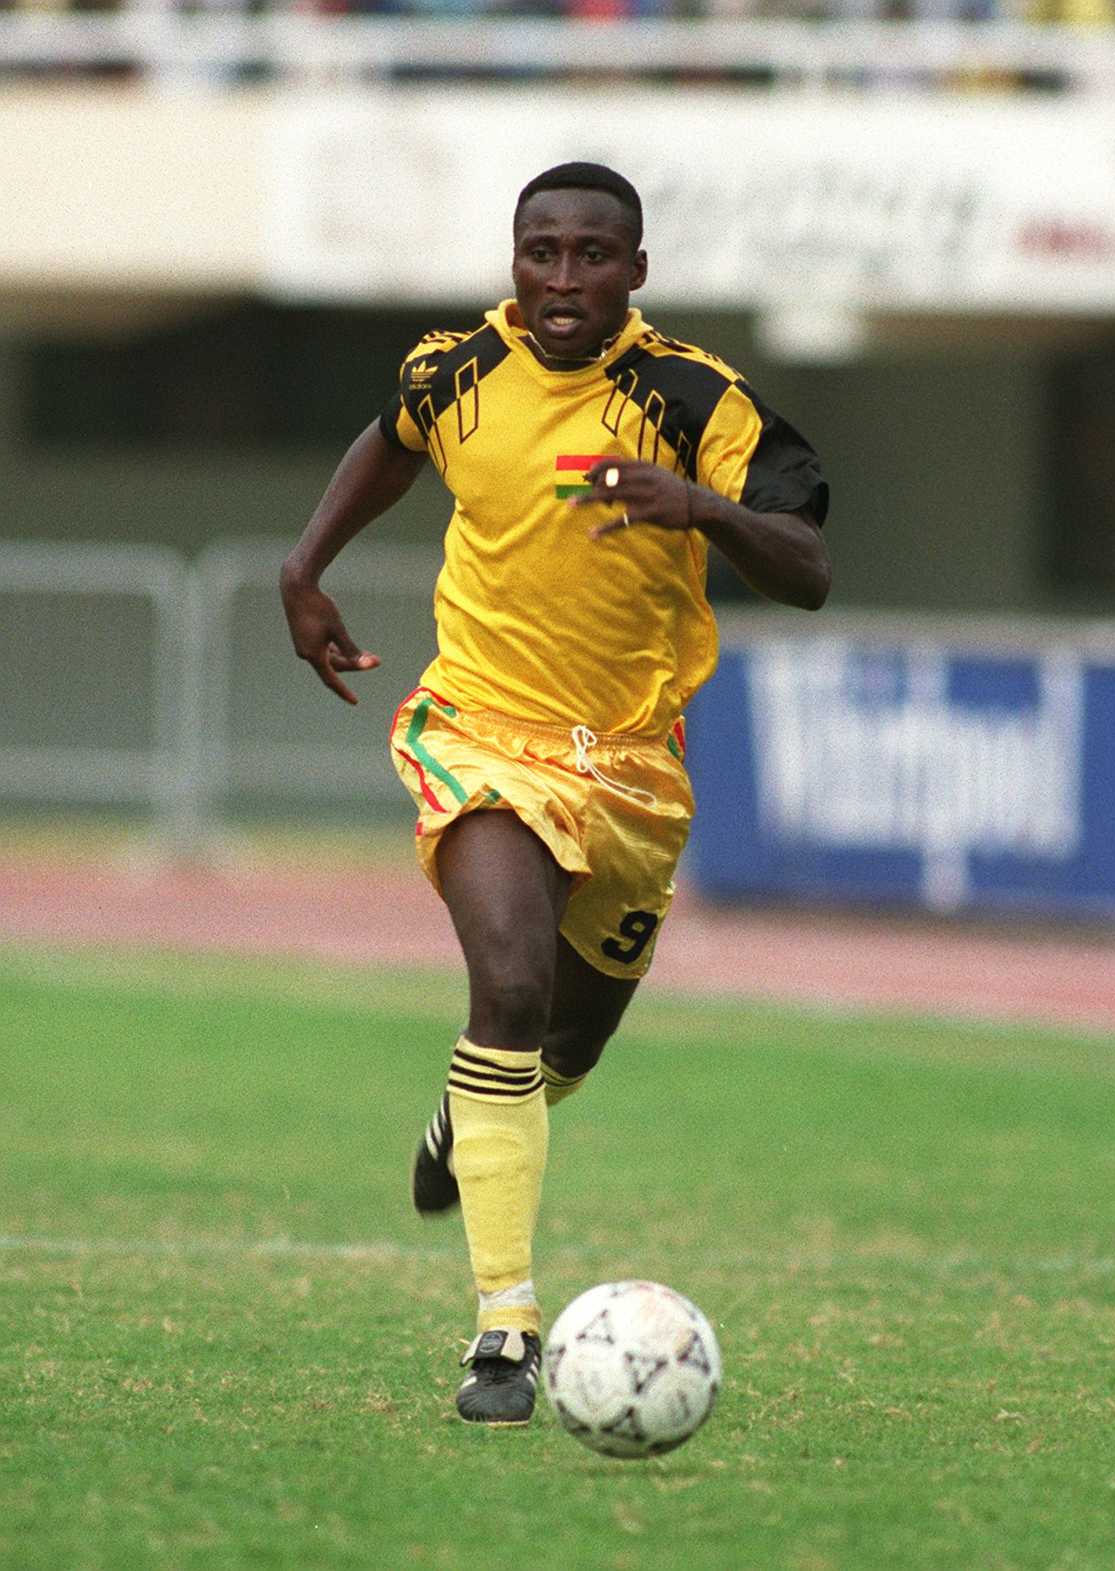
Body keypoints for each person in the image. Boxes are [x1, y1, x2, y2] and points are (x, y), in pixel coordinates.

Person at [280, 162, 830, 1427]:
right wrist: (304, 567)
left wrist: (694, 505)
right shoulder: (454, 368)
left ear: (636, 271)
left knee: (562, 1043)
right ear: (514, 259)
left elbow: (805, 565)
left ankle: (466, 1114)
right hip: (480, 728)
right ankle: (503, 1333)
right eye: (542, 252)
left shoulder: (698, 398)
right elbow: (392, 439)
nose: (564, 278)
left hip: (634, 766)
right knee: (511, 986)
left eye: (593, 255)